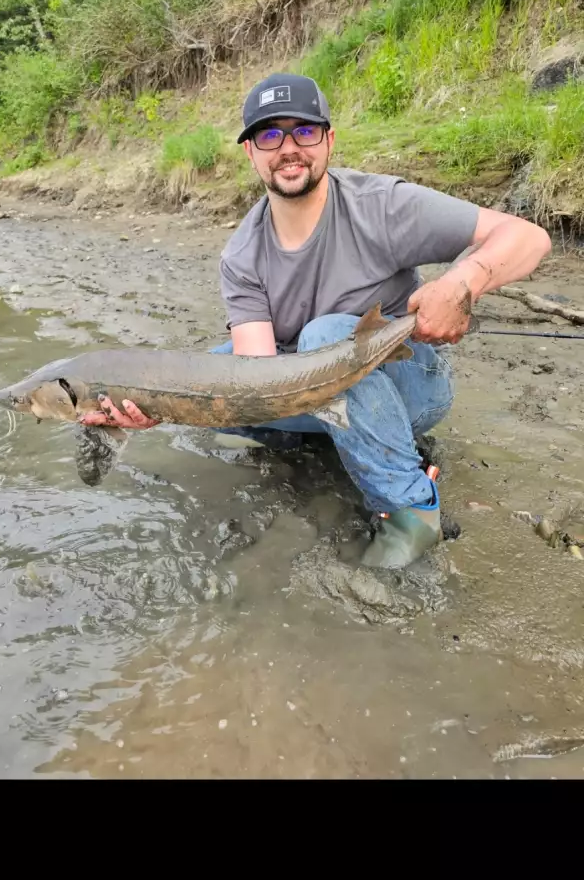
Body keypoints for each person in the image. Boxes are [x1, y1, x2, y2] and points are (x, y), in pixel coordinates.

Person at [80, 72, 551, 568]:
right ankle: (327, 438)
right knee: (213, 371)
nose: (288, 148)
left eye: (303, 131)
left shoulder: (383, 207)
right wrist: (165, 404)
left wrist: (462, 282)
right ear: (251, 153)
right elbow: (254, 376)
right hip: (310, 379)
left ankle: (411, 508)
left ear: (328, 140)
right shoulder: (243, 255)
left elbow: (527, 237)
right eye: (269, 135)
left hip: (413, 381)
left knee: (325, 335)